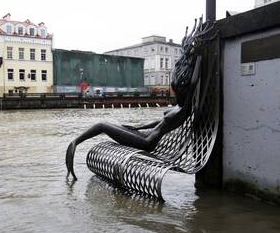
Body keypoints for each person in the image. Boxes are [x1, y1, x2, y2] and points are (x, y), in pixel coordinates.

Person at [65, 18, 216, 181]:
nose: (173, 91)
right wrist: (138, 126)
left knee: (102, 125)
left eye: (176, 89)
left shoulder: (184, 109)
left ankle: (75, 142)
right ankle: (76, 142)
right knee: (116, 125)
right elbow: (160, 122)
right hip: (144, 135)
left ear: (182, 91)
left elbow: (193, 82)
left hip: (147, 142)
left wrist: (198, 55)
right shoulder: (178, 107)